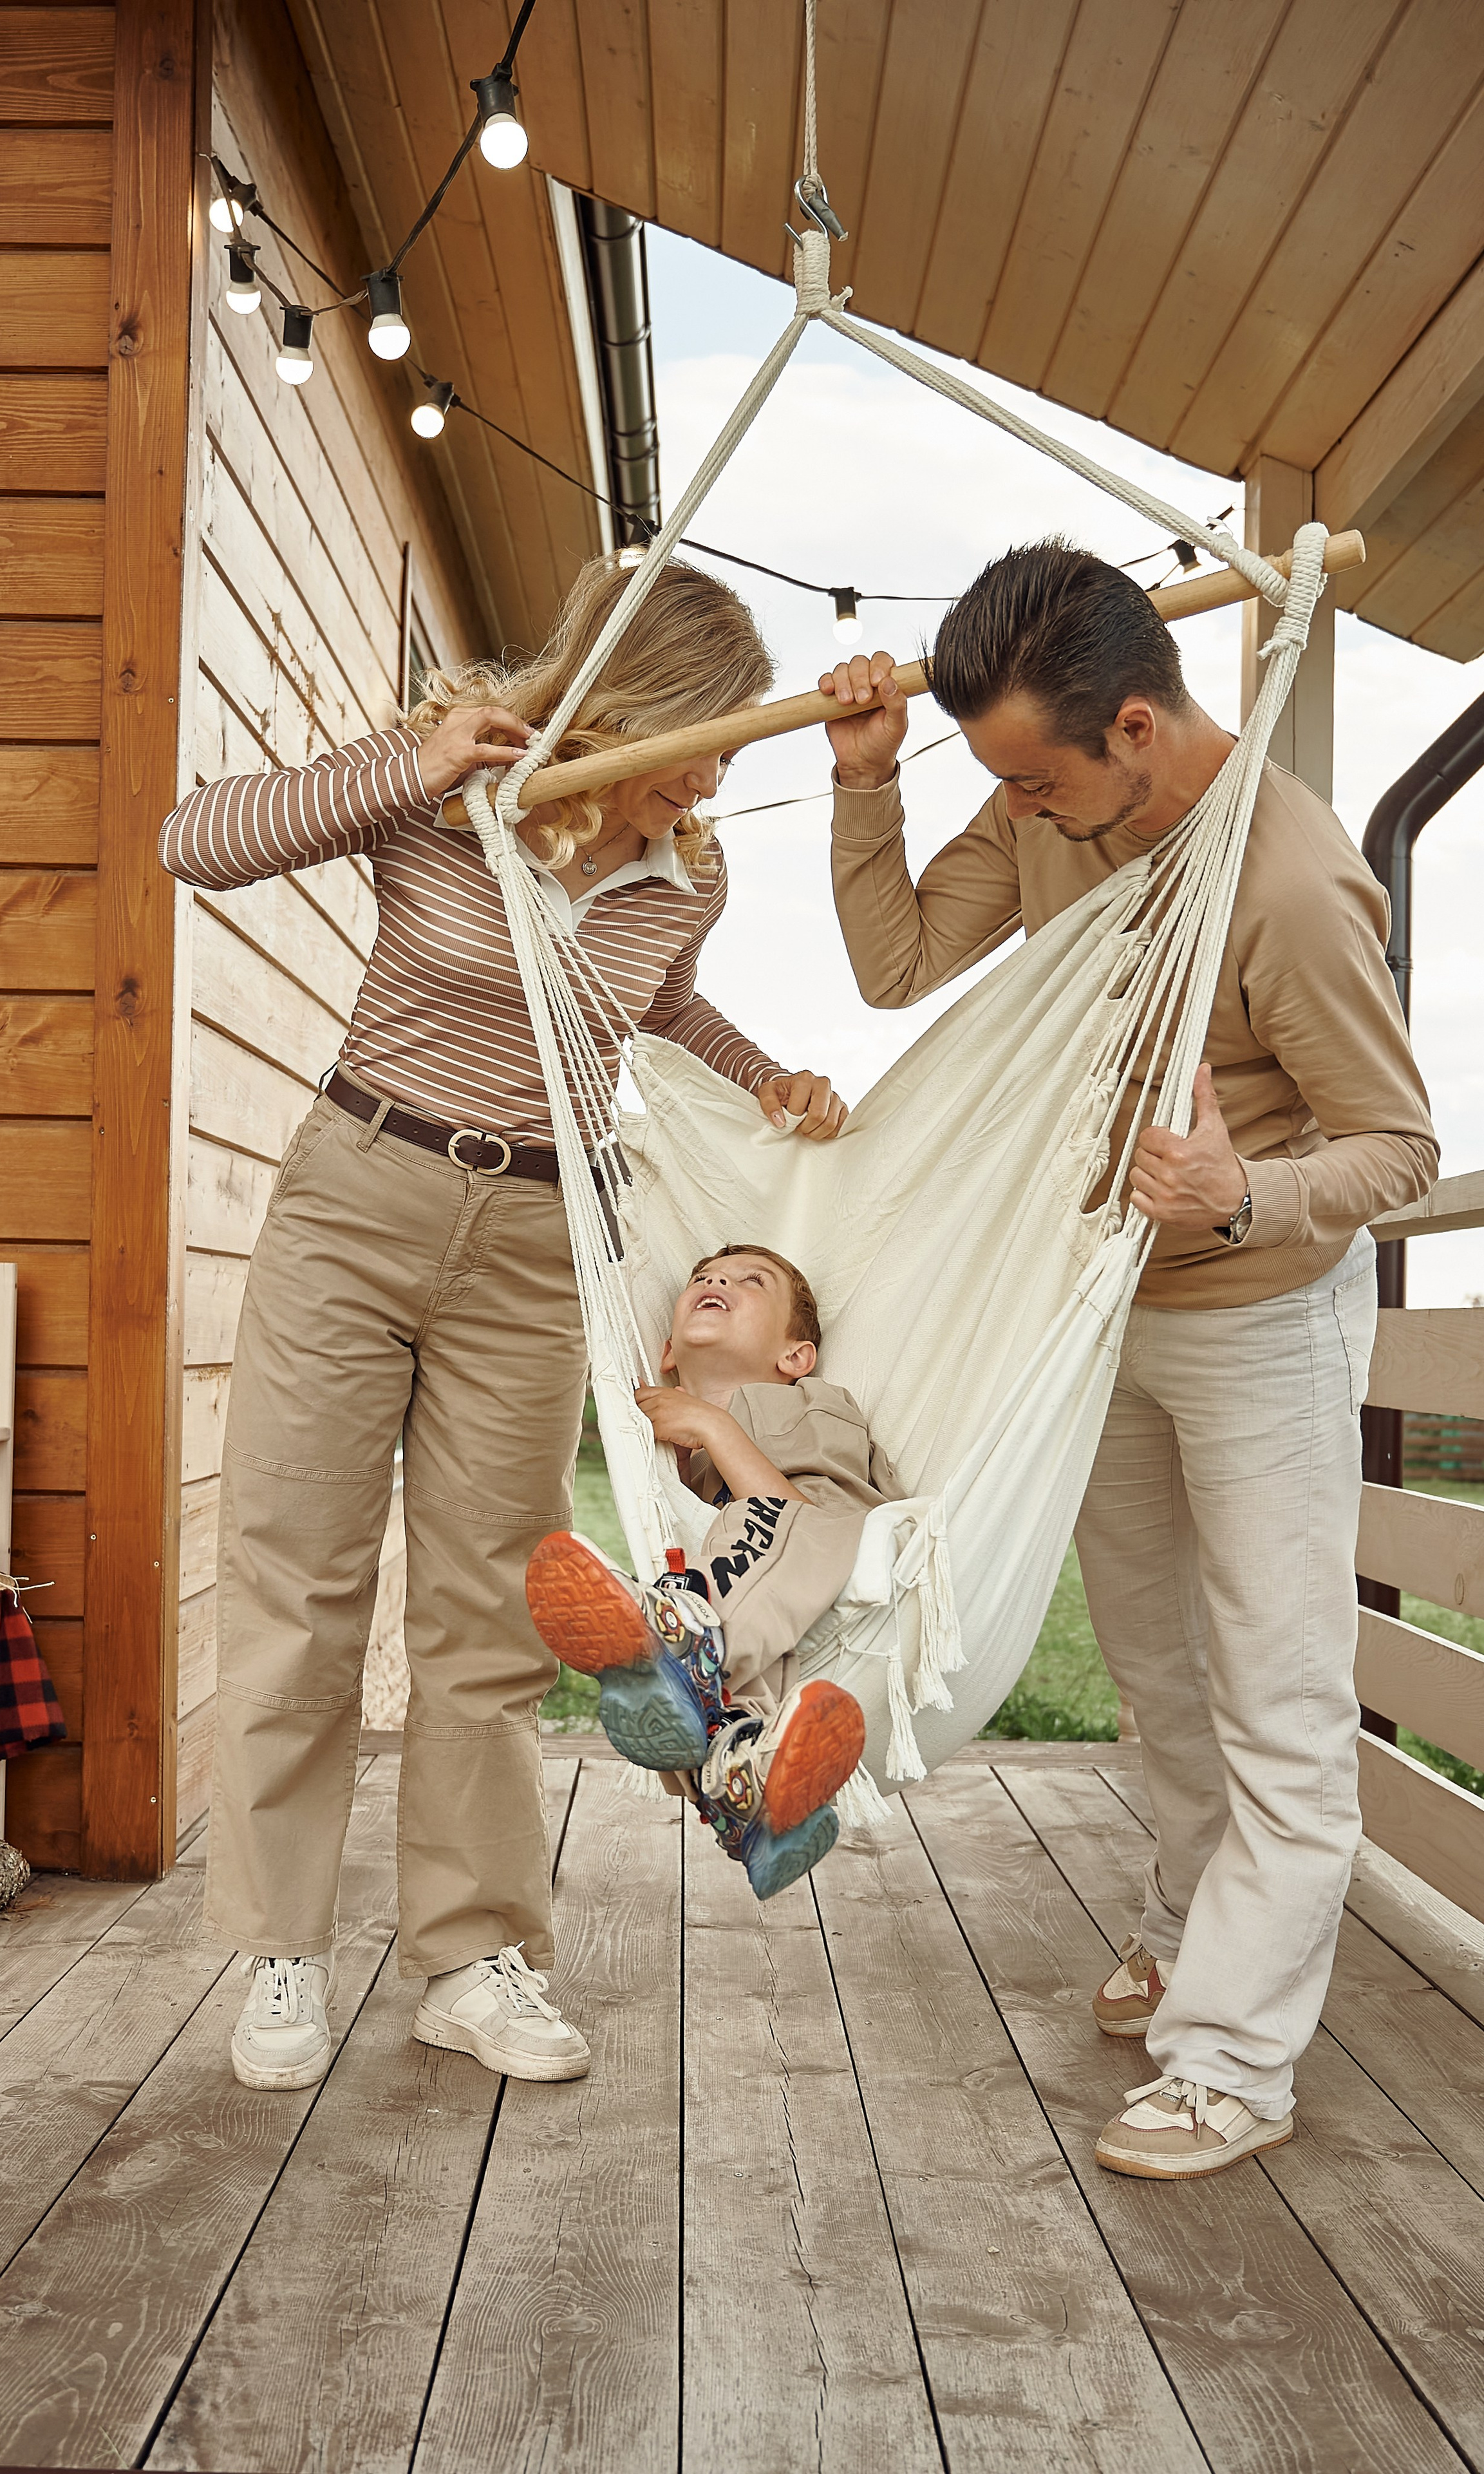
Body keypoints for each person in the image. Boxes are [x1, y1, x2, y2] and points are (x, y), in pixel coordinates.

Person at [159, 558, 849, 2093]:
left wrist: (765, 1077)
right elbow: (192, 843)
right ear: (630, 700)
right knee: (302, 1580)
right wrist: (396, 768)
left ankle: (471, 1955)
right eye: (709, 731)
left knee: (486, 1611)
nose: (722, 769)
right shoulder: (448, 788)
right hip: (360, 1193)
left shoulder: (689, 867)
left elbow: (655, 1005)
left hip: (540, 1238)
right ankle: (283, 1943)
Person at [822, 539, 1436, 2180]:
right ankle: (1182, 1923)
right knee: (1159, 1672)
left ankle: (1235, 2059)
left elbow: (1395, 1146)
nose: (1011, 809)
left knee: (1276, 1697)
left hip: (1259, 1322)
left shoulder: (1287, 886)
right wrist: (868, 789)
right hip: (1097, 1312)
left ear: (1139, 732)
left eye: (1031, 780)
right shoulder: (1043, 796)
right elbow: (893, 965)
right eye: (994, 782)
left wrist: (1248, 1191)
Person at [525, 1243, 888, 1898]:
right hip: (774, 1596)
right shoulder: (689, 1450)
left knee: (749, 1542)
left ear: (794, 1356)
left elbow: (803, 1516)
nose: (718, 1279)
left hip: (834, 1530)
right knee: (731, 1702)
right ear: (667, 1351)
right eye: (703, 1277)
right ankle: (752, 1799)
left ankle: (685, 1643)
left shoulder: (803, 1401)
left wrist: (715, 1428)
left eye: (751, 1281)